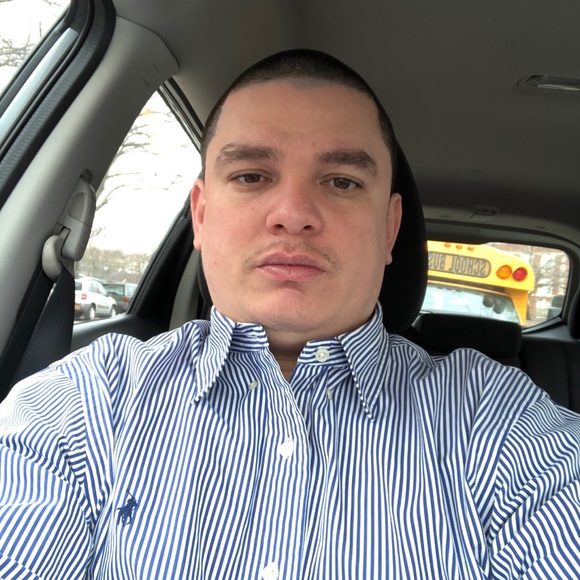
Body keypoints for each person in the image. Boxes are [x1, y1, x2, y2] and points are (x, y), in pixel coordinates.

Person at [0, 49, 578, 579]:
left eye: (342, 181)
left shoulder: (501, 424)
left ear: (389, 229)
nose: (294, 212)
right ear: (201, 215)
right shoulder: (84, 402)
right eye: (251, 176)